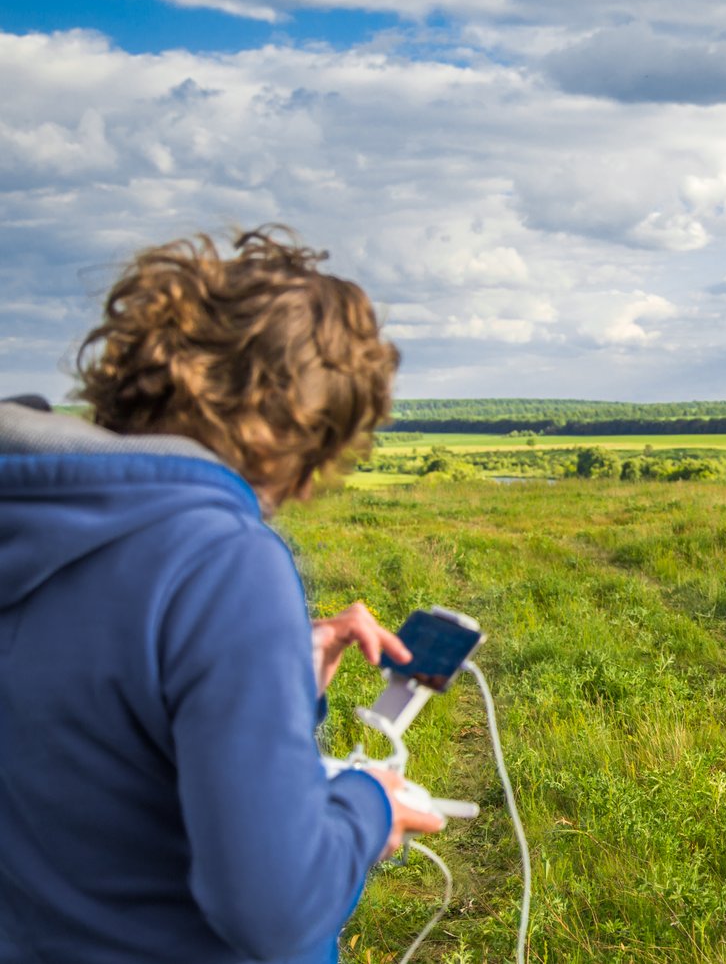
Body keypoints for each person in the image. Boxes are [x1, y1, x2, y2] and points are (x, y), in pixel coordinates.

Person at [0, 227, 444, 964]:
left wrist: (271, 676)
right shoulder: (220, 561)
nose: (303, 488)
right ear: (291, 432)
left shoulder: (28, 519)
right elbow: (274, 910)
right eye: (320, 450)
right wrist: (369, 805)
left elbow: (89, 756)